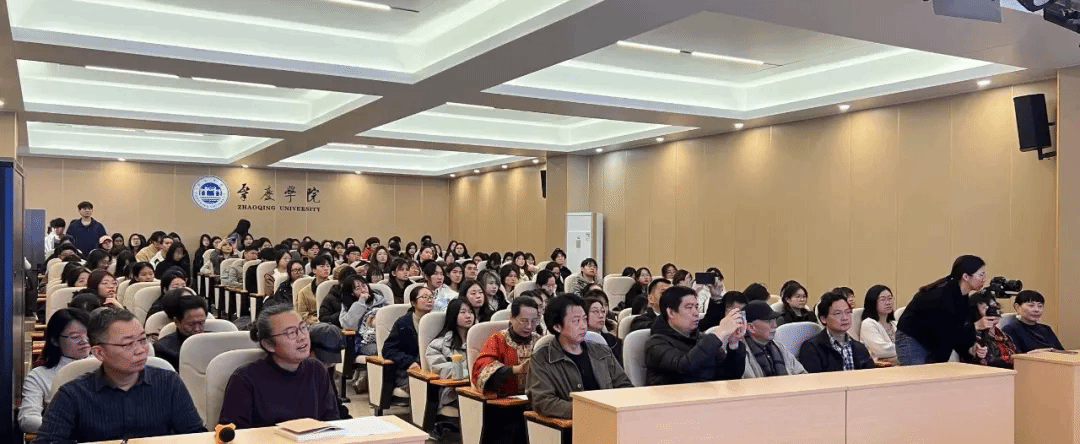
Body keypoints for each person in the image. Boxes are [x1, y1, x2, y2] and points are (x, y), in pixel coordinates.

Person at [34, 308, 205, 442]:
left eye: (142, 340)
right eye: (128, 344)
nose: (140, 350)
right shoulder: (72, 395)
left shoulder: (169, 383)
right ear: (99, 352)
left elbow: (196, 435)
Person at [218, 304, 339, 429]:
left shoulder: (317, 370)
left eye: (303, 327)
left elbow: (332, 423)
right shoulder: (244, 379)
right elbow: (234, 434)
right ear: (269, 345)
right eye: (291, 332)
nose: (302, 337)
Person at [528, 294, 632, 419]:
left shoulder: (602, 351)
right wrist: (588, 411)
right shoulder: (542, 359)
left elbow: (625, 388)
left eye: (584, 319)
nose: (583, 326)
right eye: (576, 321)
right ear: (557, 326)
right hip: (573, 425)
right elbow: (544, 402)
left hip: (611, 419)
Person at [645, 286, 746, 386]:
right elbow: (684, 367)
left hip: (708, 394)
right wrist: (720, 332)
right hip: (673, 395)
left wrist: (734, 344)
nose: (696, 313)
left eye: (696, 307)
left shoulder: (702, 338)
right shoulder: (656, 344)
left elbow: (730, 375)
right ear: (671, 312)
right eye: (689, 308)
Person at [896, 255, 984, 365]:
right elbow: (948, 331)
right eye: (981, 275)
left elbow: (956, 332)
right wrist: (976, 326)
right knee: (917, 374)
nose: (984, 278)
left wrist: (970, 349)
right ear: (966, 276)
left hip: (932, 340)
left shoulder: (962, 297)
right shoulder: (941, 295)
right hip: (913, 338)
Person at [19, 308, 91, 433]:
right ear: (55, 340)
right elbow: (27, 420)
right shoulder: (39, 376)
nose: (84, 341)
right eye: (75, 337)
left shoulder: (106, 365)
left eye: (88, 335)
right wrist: (68, 428)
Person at [472, 296, 541, 396]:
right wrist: (516, 370)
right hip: (505, 400)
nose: (529, 326)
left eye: (534, 321)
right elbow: (481, 370)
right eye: (524, 321)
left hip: (536, 399)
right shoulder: (498, 339)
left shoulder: (539, 341)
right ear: (512, 317)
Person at [798, 291, 875, 373]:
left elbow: (871, 375)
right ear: (823, 319)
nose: (845, 318)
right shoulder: (812, 348)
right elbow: (814, 379)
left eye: (848, 312)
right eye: (838, 313)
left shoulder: (860, 348)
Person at [383, 286, 434, 393]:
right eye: (425, 297)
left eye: (431, 297)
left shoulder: (437, 321)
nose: (429, 300)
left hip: (431, 369)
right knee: (425, 387)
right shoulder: (403, 323)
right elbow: (388, 349)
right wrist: (409, 362)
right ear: (413, 303)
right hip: (407, 370)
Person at [426, 298, 473, 414]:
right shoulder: (438, 345)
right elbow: (441, 368)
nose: (468, 316)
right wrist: (470, 374)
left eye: (471, 312)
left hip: (479, 390)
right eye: (463, 312)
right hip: (453, 393)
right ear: (453, 316)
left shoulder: (480, 340)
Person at [740, 300, 807, 378]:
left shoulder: (779, 347)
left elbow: (802, 374)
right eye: (768, 321)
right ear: (751, 327)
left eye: (774, 320)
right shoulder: (741, 353)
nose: (775, 325)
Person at [152, 290, 207, 370]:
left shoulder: (214, 341)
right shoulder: (163, 349)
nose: (197, 329)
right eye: (191, 324)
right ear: (177, 322)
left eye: (201, 323)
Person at [965, 292, 1017, 369]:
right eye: (985, 308)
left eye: (994, 306)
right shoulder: (972, 335)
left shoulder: (1003, 335)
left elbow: (1017, 355)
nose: (993, 311)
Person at [860, 285, 899, 364]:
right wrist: (905, 350)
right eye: (882, 299)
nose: (888, 303)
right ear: (872, 302)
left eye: (890, 298)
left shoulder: (895, 324)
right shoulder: (868, 324)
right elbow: (882, 351)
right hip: (880, 368)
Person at [584, 293, 622, 363]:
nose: (601, 315)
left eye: (603, 311)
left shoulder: (615, 342)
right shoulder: (577, 344)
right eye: (595, 311)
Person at [295, 255, 331, 324]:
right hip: (314, 324)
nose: (326, 269)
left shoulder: (335, 287)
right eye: (322, 266)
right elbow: (302, 315)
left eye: (328, 266)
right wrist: (317, 321)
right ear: (314, 270)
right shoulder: (304, 292)